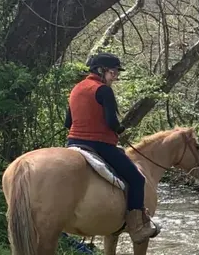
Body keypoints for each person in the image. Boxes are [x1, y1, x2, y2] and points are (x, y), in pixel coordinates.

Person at [65, 53, 158, 243]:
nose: (115, 76)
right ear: (100, 70)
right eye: (113, 72)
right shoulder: (103, 90)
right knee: (137, 179)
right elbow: (111, 121)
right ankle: (136, 226)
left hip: (73, 143)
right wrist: (120, 129)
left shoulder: (75, 89)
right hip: (99, 145)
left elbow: (68, 122)